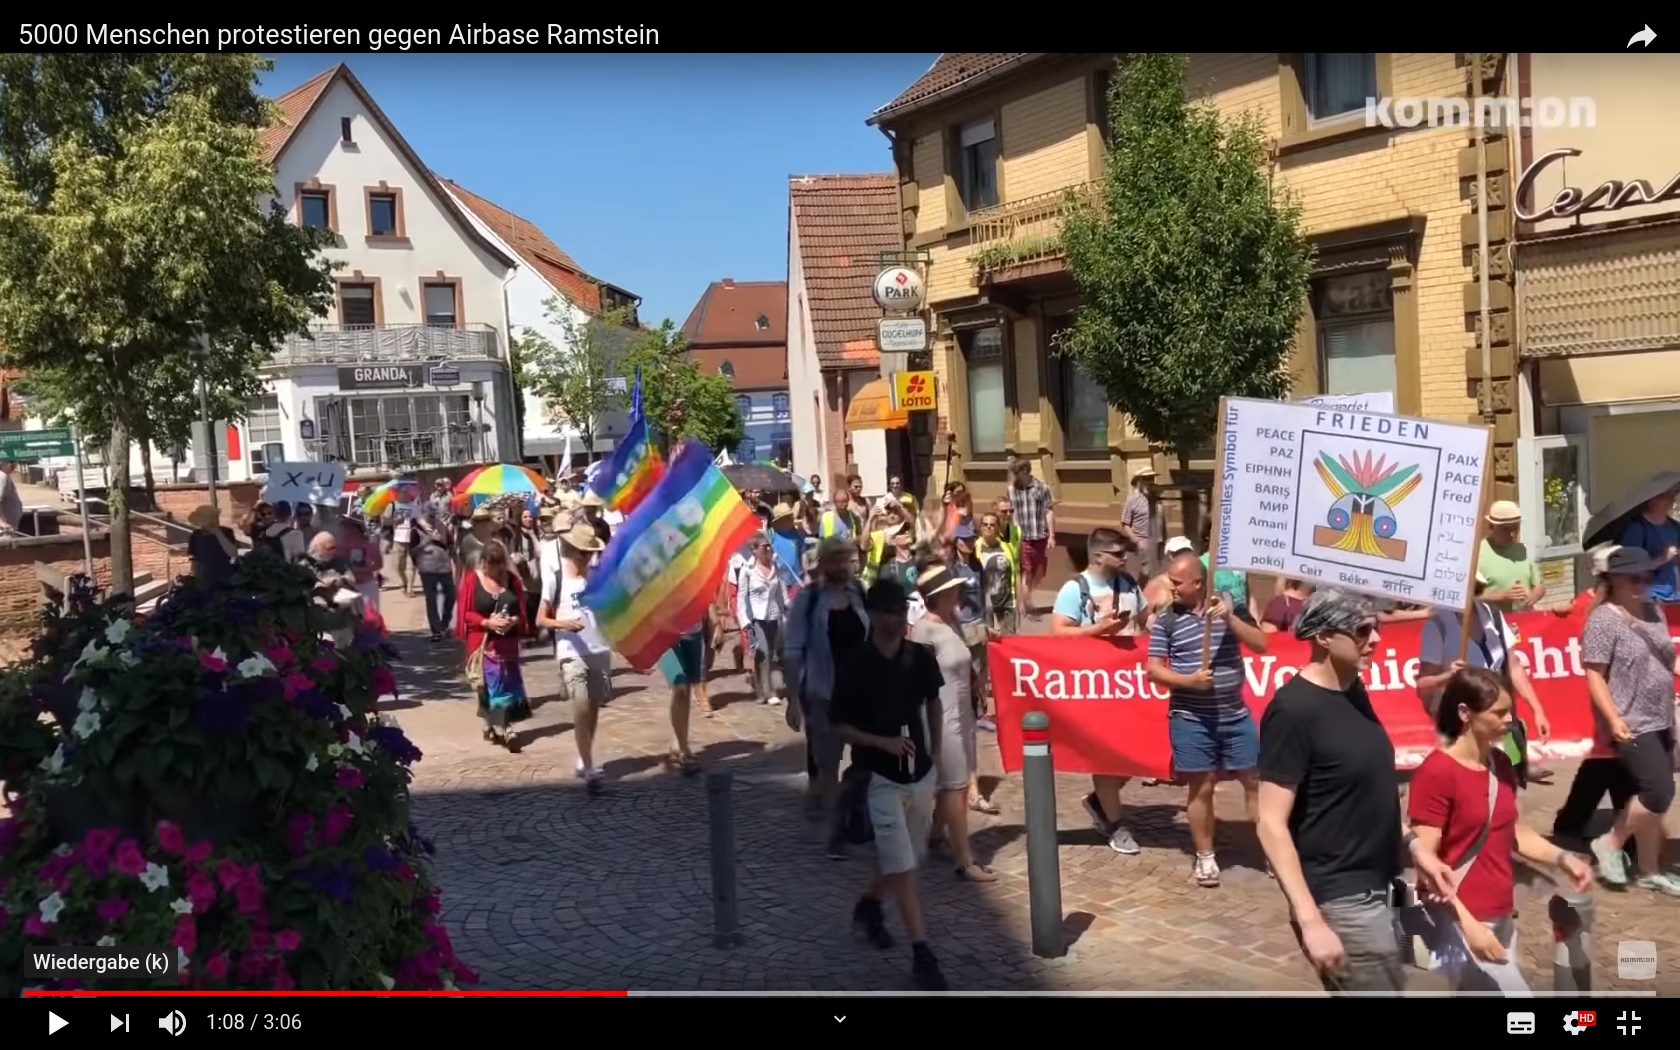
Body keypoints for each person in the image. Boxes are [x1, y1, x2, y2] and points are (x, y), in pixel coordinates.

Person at [1255, 589, 1458, 993]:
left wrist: (1417, 850)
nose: (1376, 639)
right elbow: (1270, 822)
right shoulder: (1293, 711)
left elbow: (1367, 793)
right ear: (1324, 637)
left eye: (1376, 627)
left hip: (1380, 882)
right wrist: (1310, 919)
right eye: (1362, 630)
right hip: (1342, 897)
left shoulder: (1353, 690)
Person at [1407, 667, 1594, 993]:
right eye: (1499, 712)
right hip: (1462, 920)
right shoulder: (1437, 773)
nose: (1509, 719)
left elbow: (1514, 832)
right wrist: (1469, 926)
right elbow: (1426, 864)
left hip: (1502, 914)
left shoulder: (1500, 764)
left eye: (1511, 710)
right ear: (1465, 713)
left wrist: (1564, 859)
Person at [830, 579, 949, 991]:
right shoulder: (856, 664)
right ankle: (922, 954)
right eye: (888, 611)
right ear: (873, 614)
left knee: (906, 857)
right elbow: (838, 724)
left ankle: (869, 904)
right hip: (878, 778)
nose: (897, 619)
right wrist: (882, 742)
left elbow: (933, 701)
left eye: (901, 611)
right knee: (902, 866)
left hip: (920, 773)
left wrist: (934, 752)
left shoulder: (919, 657)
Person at [1147, 550, 1269, 886]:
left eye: (1177, 582)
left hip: (1234, 714)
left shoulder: (1230, 607)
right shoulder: (1167, 619)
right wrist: (1188, 681)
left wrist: (1230, 619)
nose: (1171, 587)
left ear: (1198, 583)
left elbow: (1261, 644)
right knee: (1201, 786)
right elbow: (1154, 670)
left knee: (1255, 780)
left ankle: (1272, 849)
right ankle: (1205, 856)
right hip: (1191, 717)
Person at [1581, 545, 1680, 896]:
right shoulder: (1602, 620)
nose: (1641, 584)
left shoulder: (1654, 610)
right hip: (1630, 718)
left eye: (1646, 577)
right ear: (1614, 580)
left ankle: (1649, 869)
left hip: (1661, 714)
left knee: (1656, 795)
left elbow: (1665, 656)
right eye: (1633, 578)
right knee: (1658, 790)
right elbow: (1594, 675)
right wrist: (1612, 719)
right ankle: (1610, 842)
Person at [1052, 527, 1147, 855]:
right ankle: (1116, 824)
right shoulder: (1074, 588)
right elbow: (1058, 633)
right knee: (1106, 756)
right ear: (1098, 555)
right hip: (1095, 686)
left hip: (1131, 683)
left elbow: (1146, 620)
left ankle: (1099, 802)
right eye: (1118, 553)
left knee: (1140, 752)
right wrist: (1098, 629)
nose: (1124, 558)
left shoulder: (1129, 583)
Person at [1415, 570, 1553, 787]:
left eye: (1473, 587)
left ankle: (1516, 776)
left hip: (1499, 713)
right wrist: (1448, 676)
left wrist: (1537, 710)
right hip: (1465, 722)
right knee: (1478, 781)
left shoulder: (1493, 615)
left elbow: (1514, 666)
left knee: (1509, 777)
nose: (1468, 593)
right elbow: (1423, 684)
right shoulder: (1438, 624)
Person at [785, 536, 870, 857]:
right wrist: (793, 699)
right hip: (823, 695)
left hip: (860, 695)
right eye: (836, 558)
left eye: (846, 558)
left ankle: (851, 817)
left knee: (866, 763)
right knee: (828, 767)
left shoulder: (858, 592)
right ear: (823, 562)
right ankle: (835, 834)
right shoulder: (808, 601)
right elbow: (793, 652)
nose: (842, 564)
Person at [910, 565, 995, 882]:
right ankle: (964, 860)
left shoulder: (952, 621)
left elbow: (965, 660)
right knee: (956, 787)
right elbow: (915, 682)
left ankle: (935, 836)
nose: (959, 592)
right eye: (953, 589)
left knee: (951, 784)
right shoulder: (923, 632)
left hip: (961, 713)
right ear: (940, 595)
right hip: (940, 718)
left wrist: (976, 687)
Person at [536, 522, 611, 792]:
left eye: (591, 552)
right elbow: (541, 618)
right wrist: (563, 624)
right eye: (584, 552)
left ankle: (584, 755)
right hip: (571, 652)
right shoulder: (556, 578)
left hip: (599, 649)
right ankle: (589, 766)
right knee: (580, 707)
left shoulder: (597, 576)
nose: (588, 557)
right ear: (574, 550)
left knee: (592, 708)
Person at [455, 540, 530, 752]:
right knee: (492, 685)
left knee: (506, 684)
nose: (495, 570)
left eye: (499, 565)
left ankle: (491, 723)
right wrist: (487, 622)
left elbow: (520, 610)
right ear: (483, 562)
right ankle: (507, 728)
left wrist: (512, 621)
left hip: (507, 643)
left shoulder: (511, 580)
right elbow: (466, 613)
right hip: (483, 644)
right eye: (491, 564)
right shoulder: (472, 580)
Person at [736, 531, 790, 706]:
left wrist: (788, 608)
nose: (768, 549)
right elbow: (741, 598)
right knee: (764, 652)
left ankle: (760, 689)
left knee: (770, 653)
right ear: (754, 550)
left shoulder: (775, 567)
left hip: (774, 615)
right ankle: (769, 691)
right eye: (764, 547)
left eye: (769, 546)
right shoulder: (747, 570)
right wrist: (744, 621)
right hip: (757, 618)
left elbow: (781, 591)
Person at [1478, 500, 1544, 611]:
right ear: (1491, 527)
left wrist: (1534, 596)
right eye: (1506, 528)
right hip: (1492, 620)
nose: (1512, 533)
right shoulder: (1478, 554)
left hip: (1524, 619)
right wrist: (1499, 596)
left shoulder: (1521, 550)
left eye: (1516, 527)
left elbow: (1539, 585)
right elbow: (1468, 598)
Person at [1618, 486, 1680, 604]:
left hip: (1674, 595)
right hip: (1649, 596)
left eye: (1672, 494)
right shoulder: (1636, 529)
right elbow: (1629, 567)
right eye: (1665, 495)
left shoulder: (1675, 527)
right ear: (1651, 499)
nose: (1671, 498)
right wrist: (1663, 558)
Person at [1006, 461, 1054, 613]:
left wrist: (1052, 535)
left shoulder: (1042, 488)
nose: (1015, 476)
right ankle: (1023, 605)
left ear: (1026, 470)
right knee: (1025, 570)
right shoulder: (1012, 489)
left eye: (1017, 473)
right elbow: (1009, 512)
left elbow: (1048, 511)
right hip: (1020, 537)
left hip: (1039, 535)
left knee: (1039, 572)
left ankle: (1026, 597)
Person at [411, 509, 456, 643]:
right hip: (427, 568)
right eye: (429, 515)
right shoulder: (416, 529)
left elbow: (451, 545)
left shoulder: (442, 527)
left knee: (451, 596)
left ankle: (445, 624)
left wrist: (454, 560)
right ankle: (436, 630)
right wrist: (424, 544)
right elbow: (412, 551)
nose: (432, 518)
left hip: (444, 567)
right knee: (431, 599)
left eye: (434, 515)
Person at [187, 504, 239, 583]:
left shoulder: (225, 532)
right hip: (204, 576)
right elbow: (195, 558)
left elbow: (233, 553)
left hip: (224, 575)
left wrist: (217, 532)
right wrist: (193, 574)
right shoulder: (196, 535)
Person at [0, 459, 24, 533]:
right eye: (11, 462)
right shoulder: (2, 476)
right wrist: (1, 521)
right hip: (5, 528)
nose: (14, 465)